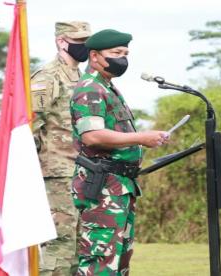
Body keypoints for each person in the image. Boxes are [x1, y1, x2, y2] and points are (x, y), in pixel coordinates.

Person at [69, 29, 170, 275]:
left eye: (125, 53)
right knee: (100, 262)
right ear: (94, 56)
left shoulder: (107, 87)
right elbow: (92, 136)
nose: (122, 59)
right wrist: (141, 137)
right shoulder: (91, 89)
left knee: (119, 261)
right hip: (102, 187)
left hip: (120, 186)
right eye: (115, 53)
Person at [31, 21, 92, 276]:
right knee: (61, 241)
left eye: (87, 41)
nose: (85, 46)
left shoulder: (82, 76)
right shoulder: (48, 76)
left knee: (80, 244)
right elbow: (31, 124)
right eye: (79, 41)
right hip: (57, 171)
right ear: (61, 41)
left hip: (81, 169)